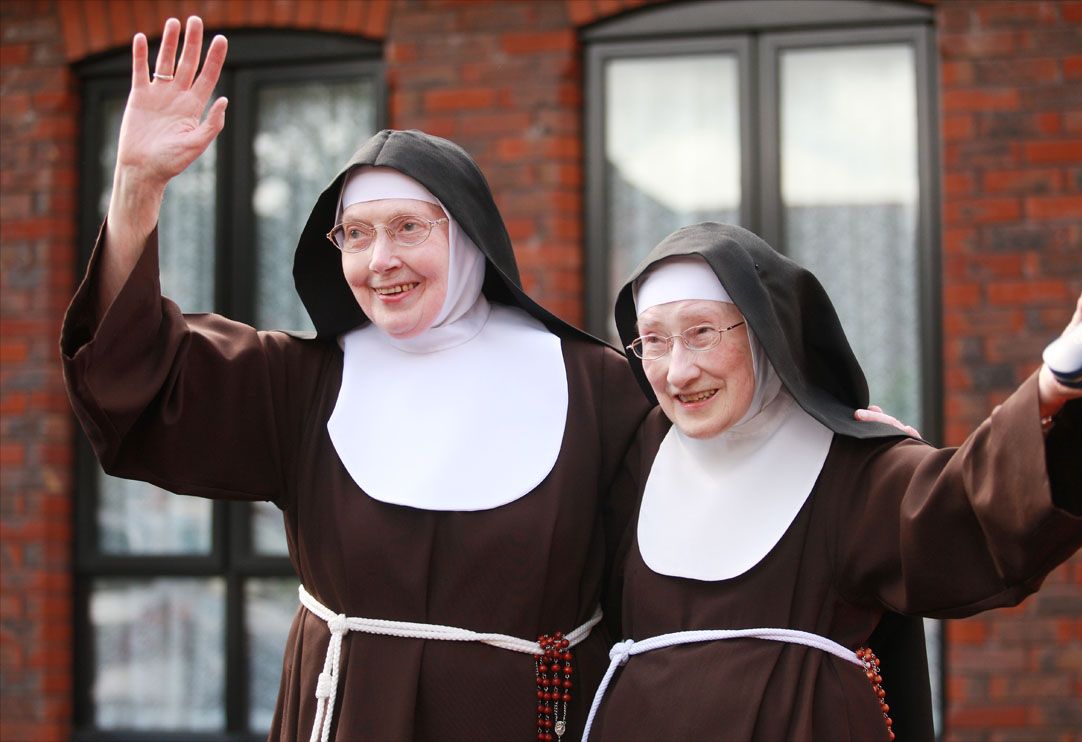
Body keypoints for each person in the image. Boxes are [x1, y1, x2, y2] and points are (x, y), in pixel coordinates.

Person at [61, 16, 661, 742]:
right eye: (357, 233)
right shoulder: (306, 384)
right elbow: (138, 375)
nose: (380, 261)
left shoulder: (598, 390)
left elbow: (691, 533)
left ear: (468, 237)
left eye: (410, 228)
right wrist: (135, 188)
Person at [581, 222, 1082, 742]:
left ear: (764, 331)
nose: (678, 371)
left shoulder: (848, 466)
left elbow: (964, 504)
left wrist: (1050, 392)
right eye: (653, 341)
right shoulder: (635, 459)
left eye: (703, 332)